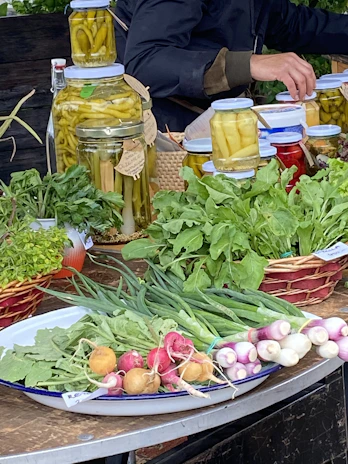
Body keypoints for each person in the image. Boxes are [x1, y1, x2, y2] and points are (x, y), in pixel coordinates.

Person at [115, 0, 348, 131]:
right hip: (162, 133)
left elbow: (291, 24)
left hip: (219, 124)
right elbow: (146, 61)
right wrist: (247, 64)